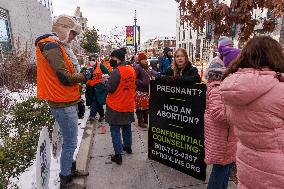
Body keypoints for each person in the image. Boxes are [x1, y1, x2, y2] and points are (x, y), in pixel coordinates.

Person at [220, 36, 284, 189]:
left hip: (247, 163)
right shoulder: (279, 90)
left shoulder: (232, 88)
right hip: (277, 171)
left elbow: (229, 118)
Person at [35, 15, 91, 188]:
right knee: (71, 142)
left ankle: (69, 169)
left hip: (66, 100)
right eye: (72, 33)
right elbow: (65, 77)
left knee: (70, 141)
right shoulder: (51, 46)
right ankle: (65, 178)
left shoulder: (56, 45)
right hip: (62, 102)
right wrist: (84, 76)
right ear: (63, 30)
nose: (73, 38)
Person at [204, 48, 239, 189]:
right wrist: (239, 113)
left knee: (225, 171)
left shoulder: (222, 86)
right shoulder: (218, 88)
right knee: (220, 171)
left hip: (226, 138)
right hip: (221, 139)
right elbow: (218, 114)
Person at [105, 48, 136, 165]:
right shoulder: (131, 69)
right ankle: (128, 147)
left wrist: (105, 82)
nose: (111, 60)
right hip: (128, 104)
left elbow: (110, 88)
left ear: (118, 59)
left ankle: (118, 155)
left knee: (115, 130)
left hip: (116, 105)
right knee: (127, 127)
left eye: (112, 58)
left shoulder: (116, 72)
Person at [86, 54, 110, 122]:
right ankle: (102, 115)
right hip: (91, 88)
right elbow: (84, 76)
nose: (92, 61)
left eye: (93, 60)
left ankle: (92, 115)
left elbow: (107, 73)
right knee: (98, 102)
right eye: (90, 60)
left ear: (96, 60)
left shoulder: (100, 66)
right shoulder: (87, 67)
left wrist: (103, 80)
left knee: (95, 101)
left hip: (99, 88)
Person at [134, 52, 151, 128]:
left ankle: (146, 120)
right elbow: (135, 78)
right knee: (140, 107)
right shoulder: (138, 67)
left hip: (146, 91)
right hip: (140, 91)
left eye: (146, 59)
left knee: (146, 107)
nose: (145, 61)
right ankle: (140, 122)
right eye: (143, 59)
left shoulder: (147, 68)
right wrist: (142, 83)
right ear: (140, 60)